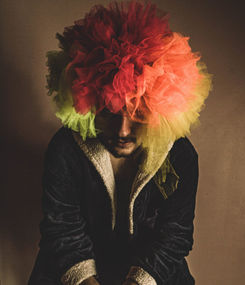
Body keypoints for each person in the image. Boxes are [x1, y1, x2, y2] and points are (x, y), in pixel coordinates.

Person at [29, 1, 211, 285]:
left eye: (138, 113)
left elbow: (175, 235)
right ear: (90, 102)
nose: (122, 131)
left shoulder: (181, 156)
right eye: (110, 113)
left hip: (153, 272)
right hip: (72, 269)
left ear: (158, 108)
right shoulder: (65, 149)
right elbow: (61, 229)